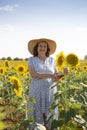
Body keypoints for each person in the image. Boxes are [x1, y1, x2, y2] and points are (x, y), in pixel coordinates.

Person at [27, 38, 67, 130]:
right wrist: (49, 75)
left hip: (50, 90)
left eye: (44, 46)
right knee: (37, 111)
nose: (42, 48)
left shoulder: (52, 60)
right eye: (40, 46)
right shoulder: (32, 59)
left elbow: (56, 77)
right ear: (37, 48)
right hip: (37, 90)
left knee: (49, 113)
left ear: (47, 49)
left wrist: (64, 73)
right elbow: (33, 75)